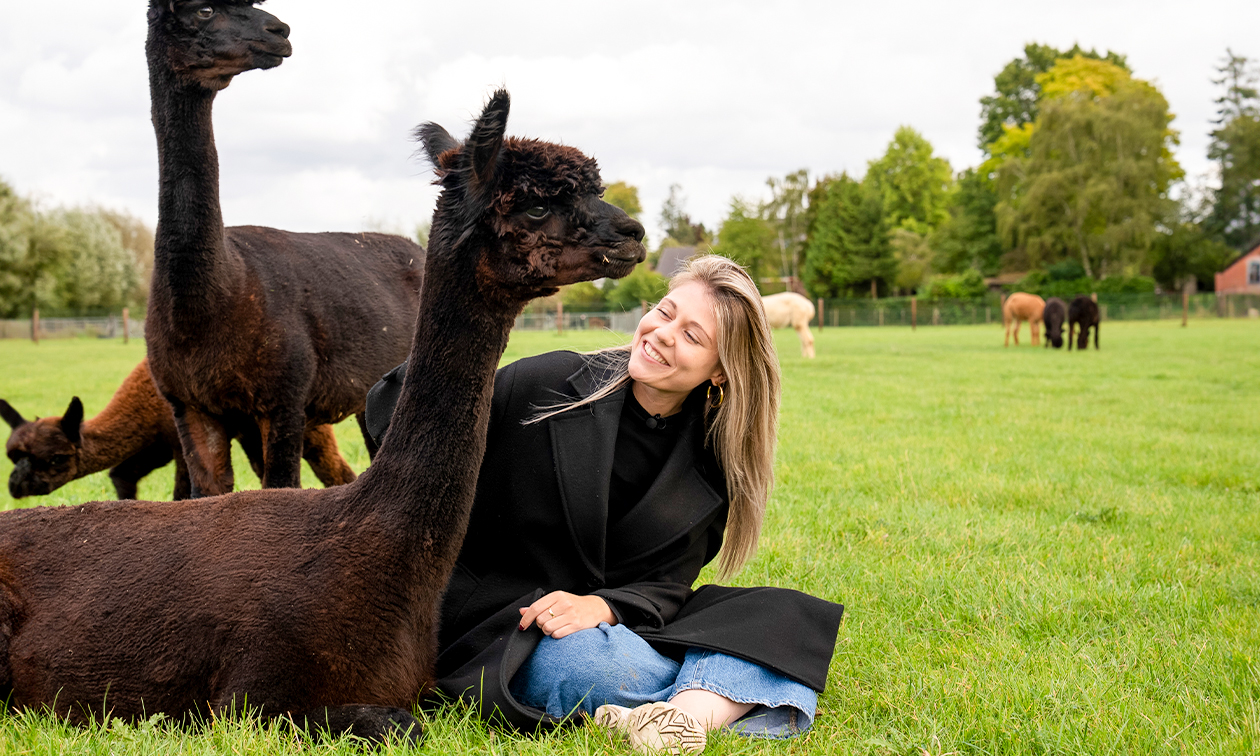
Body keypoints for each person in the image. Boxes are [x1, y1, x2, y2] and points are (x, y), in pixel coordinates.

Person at [365, 255, 843, 754]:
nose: (661, 333)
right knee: (593, 664)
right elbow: (402, 421)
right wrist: (457, 330)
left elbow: (666, 586)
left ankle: (677, 720)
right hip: (510, 622)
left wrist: (604, 606)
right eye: (664, 311)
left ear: (720, 371)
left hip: (616, 624)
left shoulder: (711, 468)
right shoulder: (550, 382)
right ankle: (713, 701)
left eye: (692, 336)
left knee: (784, 614)